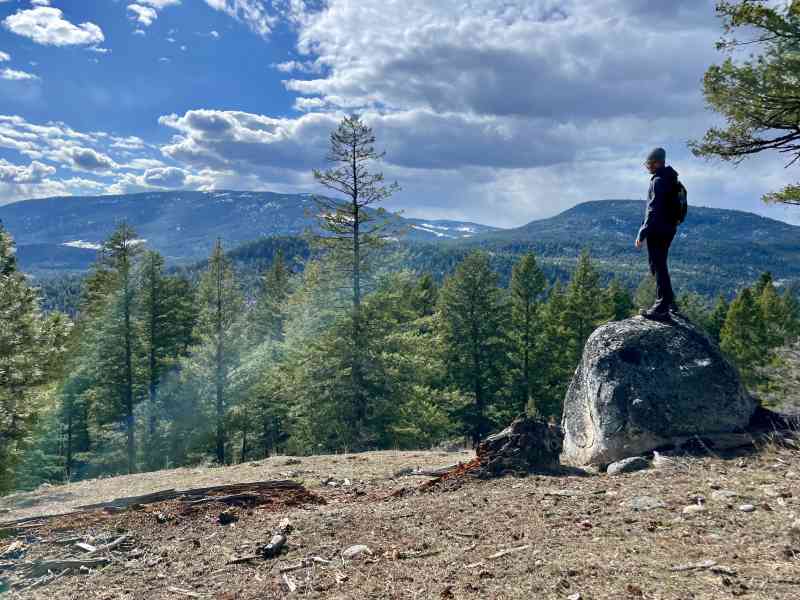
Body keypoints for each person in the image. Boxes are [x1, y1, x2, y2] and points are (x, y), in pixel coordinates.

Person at [635, 147, 680, 321]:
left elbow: (653, 209)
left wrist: (642, 232)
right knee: (660, 265)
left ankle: (662, 306)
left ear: (657, 162)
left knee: (658, 266)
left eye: (649, 163)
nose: (647, 166)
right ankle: (670, 303)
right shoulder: (671, 178)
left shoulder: (658, 181)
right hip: (669, 229)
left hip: (658, 230)